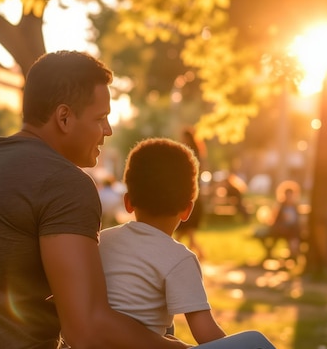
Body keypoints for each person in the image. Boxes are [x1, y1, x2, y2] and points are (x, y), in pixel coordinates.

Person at [0, 51, 190, 349]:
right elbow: (87, 331)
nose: (108, 130)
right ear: (64, 117)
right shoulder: (65, 183)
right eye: (100, 118)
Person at [96, 138, 276, 349]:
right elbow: (206, 334)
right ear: (187, 210)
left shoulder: (101, 241)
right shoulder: (178, 258)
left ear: (128, 202)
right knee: (255, 342)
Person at [174, 127, 206, 259]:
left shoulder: (189, 156)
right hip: (193, 198)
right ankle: (197, 255)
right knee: (186, 233)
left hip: (189, 198)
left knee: (184, 233)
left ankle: (184, 257)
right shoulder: (197, 154)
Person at [268, 180, 303, 261]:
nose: (289, 197)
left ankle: (293, 253)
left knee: (296, 232)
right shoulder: (281, 206)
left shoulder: (295, 206)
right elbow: (275, 220)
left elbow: (297, 220)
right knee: (293, 233)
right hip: (282, 229)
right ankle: (293, 253)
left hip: (293, 229)